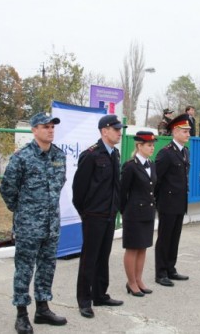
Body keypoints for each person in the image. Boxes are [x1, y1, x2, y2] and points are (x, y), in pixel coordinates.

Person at [0, 112, 67, 334]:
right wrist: (23, 211)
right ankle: (21, 314)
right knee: (24, 269)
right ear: (34, 130)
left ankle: (43, 309)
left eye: (52, 127)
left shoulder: (59, 155)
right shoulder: (22, 157)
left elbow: (59, 184)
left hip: (51, 225)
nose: (50, 130)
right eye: (45, 126)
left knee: (47, 267)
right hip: (29, 225)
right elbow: (7, 189)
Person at [72, 115, 126, 319]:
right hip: (93, 215)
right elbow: (79, 189)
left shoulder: (115, 154)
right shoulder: (91, 155)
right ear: (105, 131)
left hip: (110, 213)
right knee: (89, 258)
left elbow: (115, 185)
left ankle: (100, 294)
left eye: (120, 129)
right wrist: (86, 212)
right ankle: (84, 300)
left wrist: (116, 207)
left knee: (103, 256)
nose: (119, 132)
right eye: (116, 129)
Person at [154, 114, 191, 287]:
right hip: (167, 203)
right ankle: (160, 272)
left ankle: (171, 268)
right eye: (185, 131)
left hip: (179, 202)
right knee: (164, 238)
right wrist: (157, 202)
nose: (188, 134)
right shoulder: (166, 153)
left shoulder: (185, 151)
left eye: (188, 131)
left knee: (175, 237)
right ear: (175, 131)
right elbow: (156, 179)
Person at [119, 131, 157, 297]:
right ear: (139, 146)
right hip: (133, 213)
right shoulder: (130, 165)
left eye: (152, 145)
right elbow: (122, 192)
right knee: (132, 248)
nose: (152, 148)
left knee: (143, 248)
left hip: (147, 212)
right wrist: (125, 212)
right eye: (149, 145)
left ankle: (139, 280)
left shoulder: (152, 164)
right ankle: (131, 282)